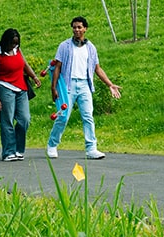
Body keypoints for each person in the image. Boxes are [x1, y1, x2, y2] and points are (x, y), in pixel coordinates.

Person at [47, 15, 121, 160]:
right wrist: (53, 87)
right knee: (63, 116)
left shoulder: (91, 47)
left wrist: (110, 84)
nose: (76, 30)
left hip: (84, 85)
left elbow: (97, 69)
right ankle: (52, 144)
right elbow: (57, 67)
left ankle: (91, 148)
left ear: (85, 29)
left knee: (88, 116)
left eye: (79, 27)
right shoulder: (65, 46)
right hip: (68, 85)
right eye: (74, 27)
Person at [0, 28, 41, 161]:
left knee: (24, 119)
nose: (14, 46)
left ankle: (18, 149)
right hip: (5, 87)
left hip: (21, 88)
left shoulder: (17, 49)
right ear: (5, 42)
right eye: (11, 43)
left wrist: (34, 76)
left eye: (16, 43)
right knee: (7, 119)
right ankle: (8, 152)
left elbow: (24, 64)